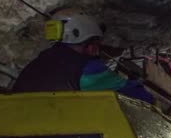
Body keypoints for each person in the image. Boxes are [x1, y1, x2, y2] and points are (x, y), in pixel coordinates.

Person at [13, 9, 154, 104]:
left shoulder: (38, 63)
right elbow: (141, 98)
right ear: (90, 43)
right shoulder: (87, 69)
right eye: (96, 43)